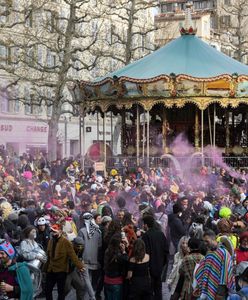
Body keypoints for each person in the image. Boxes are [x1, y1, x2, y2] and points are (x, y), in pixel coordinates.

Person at [44, 223, 84, 300]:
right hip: (51, 269)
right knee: (47, 290)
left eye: (55, 231)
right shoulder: (50, 241)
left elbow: (73, 256)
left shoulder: (66, 242)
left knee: (61, 291)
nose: (53, 233)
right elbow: (48, 256)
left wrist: (80, 266)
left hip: (61, 270)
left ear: (60, 231)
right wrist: (45, 269)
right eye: (52, 232)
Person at [195, 229, 235, 300]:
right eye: (204, 241)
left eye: (207, 241)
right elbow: (205, 270)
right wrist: (199, 286)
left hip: (219, 289)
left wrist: (220, 293)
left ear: (214, 239)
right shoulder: (209, 252)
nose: (205, 243)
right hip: (207, 288)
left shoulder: (223, 252)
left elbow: (225, 274)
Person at [142, 215, 169, 300]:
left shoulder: (146, 236)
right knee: (158, 290)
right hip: (159, 266)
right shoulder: (161, 234)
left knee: (149, 291)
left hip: (149, 268)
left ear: (146, 225)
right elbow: (166, 250)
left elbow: (145, 252)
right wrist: (163, 263)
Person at [104, 233, 128, 300]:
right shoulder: (119, 255)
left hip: (107, 280)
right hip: (116, 282)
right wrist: (124, 251)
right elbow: (126, 262)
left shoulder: (107, 251)